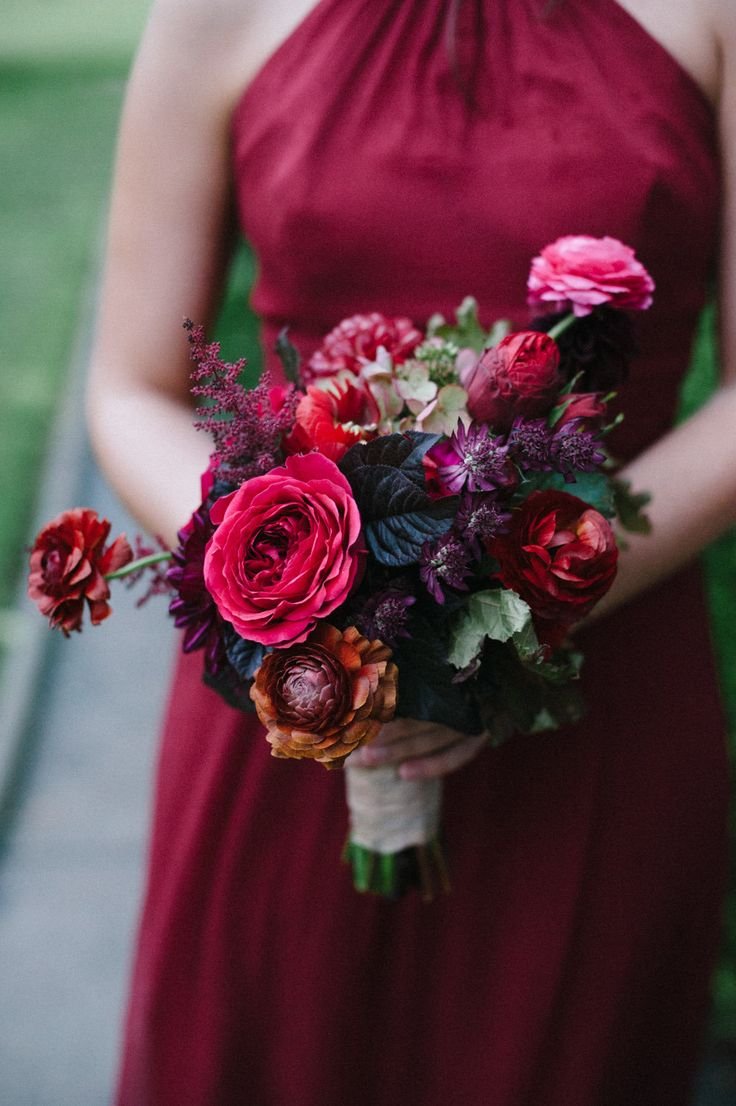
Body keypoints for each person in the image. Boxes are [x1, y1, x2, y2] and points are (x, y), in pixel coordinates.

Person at [87, 1, 736, 1103]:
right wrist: (294, 574)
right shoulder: (213, 12)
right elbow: (132, 382)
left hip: (597, 678)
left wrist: (517, 606)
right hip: (292, 701)